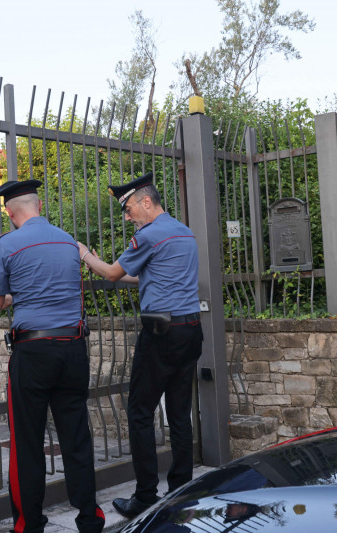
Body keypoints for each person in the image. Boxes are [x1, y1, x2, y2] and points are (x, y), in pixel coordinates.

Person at [0, 179, 104, 533]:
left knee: (27, 443)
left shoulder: (8, 245)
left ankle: (29, 525)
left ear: (10, 213)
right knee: (76, 437)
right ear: (39, 207)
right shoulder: (68, 241)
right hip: (73, 349)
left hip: (33, 353)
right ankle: (90, 519)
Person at [77, 172, 203, 518]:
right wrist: (110, 266)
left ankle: (145, 497)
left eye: (129, 208)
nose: (128, 216)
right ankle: (180, 491)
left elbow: (114, 275)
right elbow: (146, 274)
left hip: (161, 333)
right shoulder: (183, 231)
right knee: (179, 413)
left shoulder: (148, 236)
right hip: (190, 329)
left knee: (140, 412)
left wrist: (86, 254)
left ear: (147, 201)